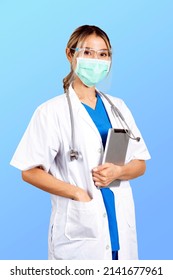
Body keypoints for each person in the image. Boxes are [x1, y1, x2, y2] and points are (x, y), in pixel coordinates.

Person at [10, 25, 150, 260]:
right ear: (70, 54)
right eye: (88, 52)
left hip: (119, 231)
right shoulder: (51, 112)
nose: (96, 60)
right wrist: (76, 193)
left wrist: (120, 171)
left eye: (103, 54)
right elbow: (29, 171)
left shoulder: (119, 108)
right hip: (80, 233)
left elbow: (140, 163)